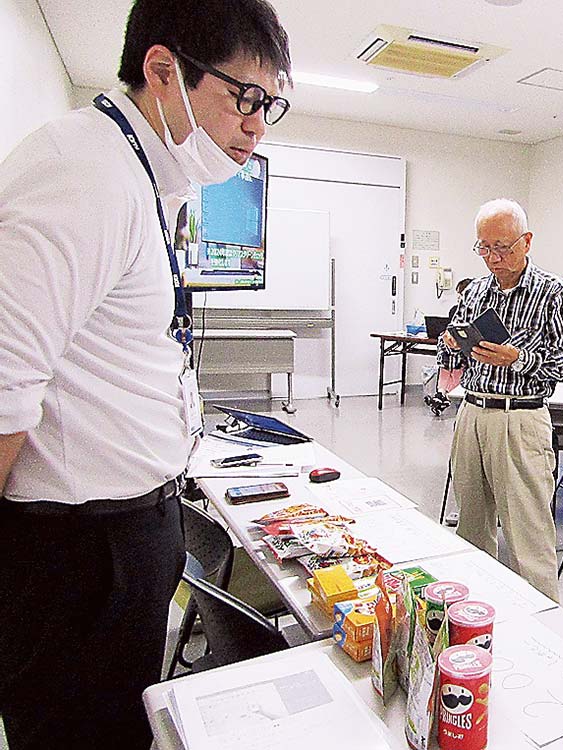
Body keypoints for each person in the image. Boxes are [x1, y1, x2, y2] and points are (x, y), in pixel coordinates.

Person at [0, 1, 291, 747]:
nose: (257, 126)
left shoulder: (137, 174)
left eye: (271, 105)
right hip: (75, 555)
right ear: (163, 71)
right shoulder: (83, 172)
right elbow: (2, 391)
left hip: (121, 534)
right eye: (245, 98)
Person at [439, 198, 563, 600]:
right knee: (471, 525)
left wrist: (518, 359)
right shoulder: (477, 292)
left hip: (520, 418)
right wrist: (451, 344)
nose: (492, 258)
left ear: (527, 241)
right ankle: (473, 612)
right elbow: (452, 357)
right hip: (472, 412)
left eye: (501, 247)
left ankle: (540, 628)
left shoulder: (553, 292)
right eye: (483, 248)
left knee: (528, 534)